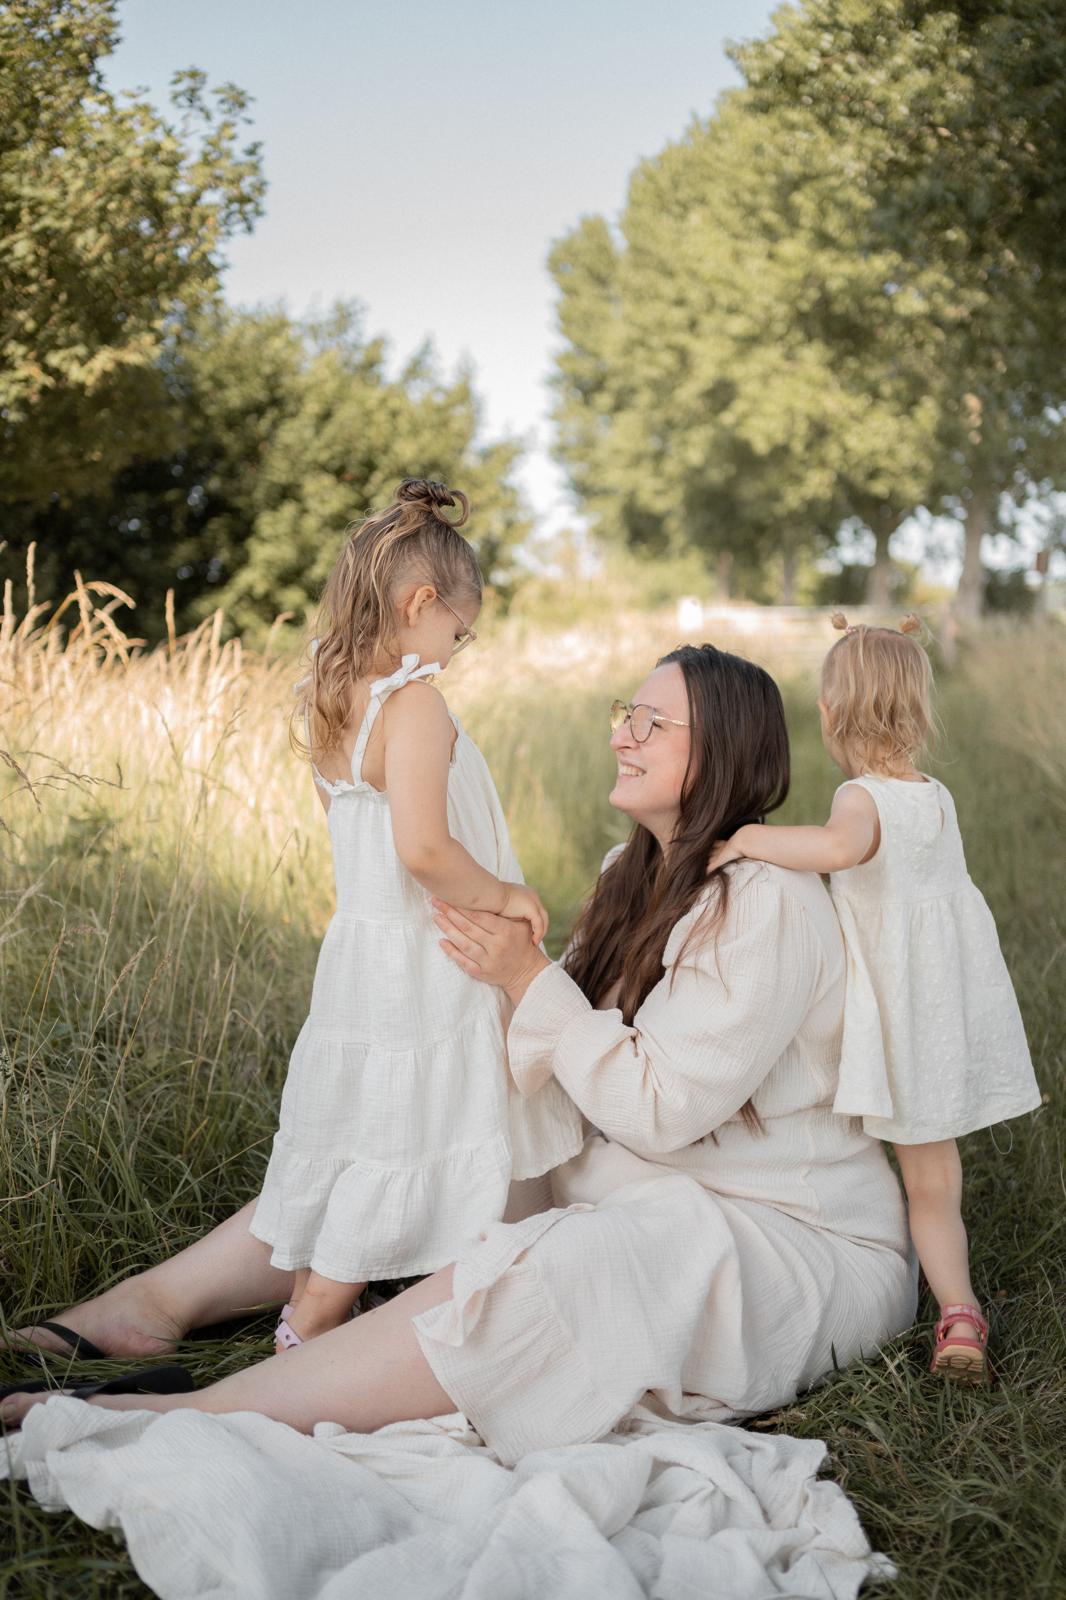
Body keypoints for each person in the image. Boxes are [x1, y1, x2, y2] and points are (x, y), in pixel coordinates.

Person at [2, 642, 915, 1442]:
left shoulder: (768, 900)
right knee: (440, 1132)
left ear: (719, 751)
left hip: (787, 1240)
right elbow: (571, 1063)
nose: (622, 734)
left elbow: (662, 1108)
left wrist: (526, 979)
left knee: (572, 1261)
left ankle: (207, 1412)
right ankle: (153, 1306)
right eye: (624, 713)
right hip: (636, 1178)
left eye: (654, 722)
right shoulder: (625, 874)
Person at [237, 477, 581, 1350]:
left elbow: (350, 830)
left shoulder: (326, 694)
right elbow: (423, 849)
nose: (456, 652)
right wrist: (506, 894)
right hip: (435, 949)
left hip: (363, 951)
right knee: (413, 1121)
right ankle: (321, 1316)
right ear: (421, 603)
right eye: (458, 633)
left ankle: (315, 1303)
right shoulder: (414, 703)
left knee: (368, 1118)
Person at [711, 612, 1041, 1383]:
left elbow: (836, 850)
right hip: (940, 1012)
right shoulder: (935, 795)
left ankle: (948, 1308)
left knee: (914, 1179)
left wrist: (743, 840)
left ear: (829, 716)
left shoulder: (859, 799)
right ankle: (957, 1313)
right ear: (918, 709)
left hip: (896, 1024)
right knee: (936, 1179)